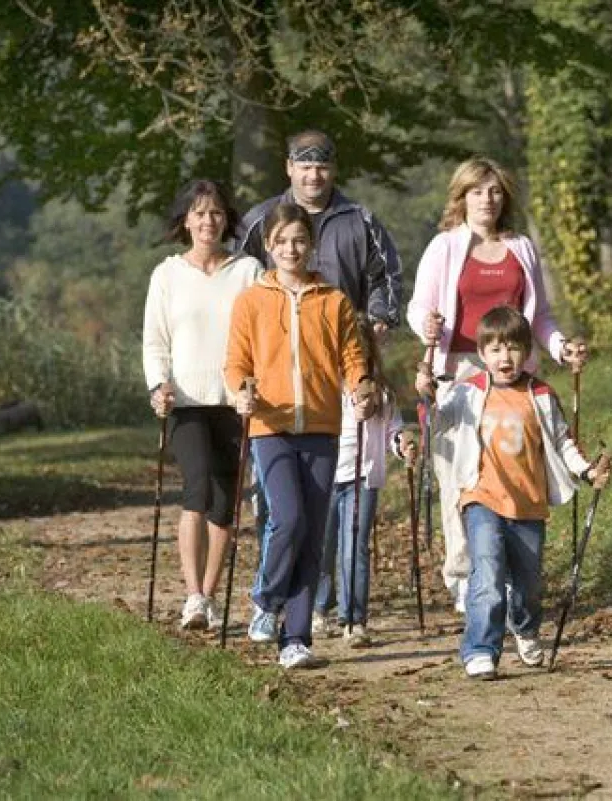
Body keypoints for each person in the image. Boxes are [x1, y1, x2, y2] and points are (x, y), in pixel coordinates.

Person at [409, 156, 590, 612]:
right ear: (462, 197)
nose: (486, 200)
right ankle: (464, 578)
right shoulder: (445, 247)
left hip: (512, 372)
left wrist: (560, 346)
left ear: (504, 197)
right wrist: (425, 327)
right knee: (460, 480)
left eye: (493, 191)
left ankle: (506, 574)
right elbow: (419, 307)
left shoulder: (522, 248)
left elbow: (540, 316)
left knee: (514, 476)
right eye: (476, 191)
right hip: (460, 373)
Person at [223, 202, 377, 670]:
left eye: (300, 240)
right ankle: (266, 600)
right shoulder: (251, 300)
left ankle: (296, 639)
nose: (292, 249)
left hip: (323, 426)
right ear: (268, 246)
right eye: (282, 241)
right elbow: (236, 363)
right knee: (287, 520)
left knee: (312, 535)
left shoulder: (332, 300)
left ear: (312, 245)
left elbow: (353, 357)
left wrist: (361, 387)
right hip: (271, 426)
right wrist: (239, 394)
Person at [429, 305, 611, 680]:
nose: (504, 357)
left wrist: (587, 470)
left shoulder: (540, 394)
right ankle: (480, 648)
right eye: (495, 349)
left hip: (528, 503)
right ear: (482, 354)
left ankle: (524, 629)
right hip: (481, 497)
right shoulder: (468, 392)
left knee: (528, 586)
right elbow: (440, 418)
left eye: (513, 348)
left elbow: (563, 443)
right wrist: (427, 392)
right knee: (488, 572)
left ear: (527, 352)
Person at [142, 179, 264, 630]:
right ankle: (192, 595)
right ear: (185, 221)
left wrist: (254, 385)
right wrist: (158, 386)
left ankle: (210, 595)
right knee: (197, 489)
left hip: (237, 400)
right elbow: (155, 340)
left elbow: (261, 334)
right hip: (188, 400)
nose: (207, 221)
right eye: (199, 213)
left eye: (215, 213)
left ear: (225, 219)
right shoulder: (167, 274)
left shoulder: (249, 270)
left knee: (226, 501)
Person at [234, 129, 402, 336]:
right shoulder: (260, 219)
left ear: (334, 169)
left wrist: (379, 317)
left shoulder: (362, 221)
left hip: (345, 341)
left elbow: (385, 276)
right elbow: (236, 276)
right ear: (290, 167)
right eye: (306, 167)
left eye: (322, 168)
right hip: (275, 343)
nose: (313, 176)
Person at [313, 324, 417, 647]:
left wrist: (404, 444)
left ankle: (354, 619)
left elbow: (393, 431)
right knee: (323, 545)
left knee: (354, 546)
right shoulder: (323, 385)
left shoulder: (382, 394)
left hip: (363, 477)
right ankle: (319, 608)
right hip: (326, 475)